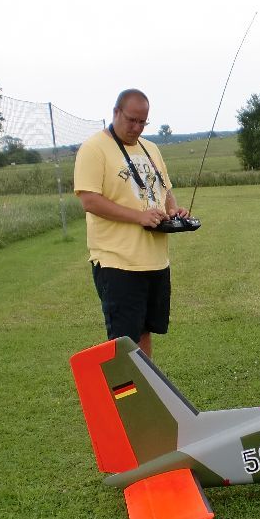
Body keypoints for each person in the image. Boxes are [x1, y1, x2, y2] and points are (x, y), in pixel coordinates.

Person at [74, 89, 190, 358]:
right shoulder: (94, 148)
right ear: (116, 112)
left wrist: (173, 212)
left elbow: (165, 190)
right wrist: (140, 216)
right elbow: (89, 200)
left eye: (142, 122)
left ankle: (146, 386)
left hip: (155, 260)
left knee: (145, 332)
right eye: (131, 120)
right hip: (118, 263)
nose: (136, 128)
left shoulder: (151, 148)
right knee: (124, 342)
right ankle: (126, 388)